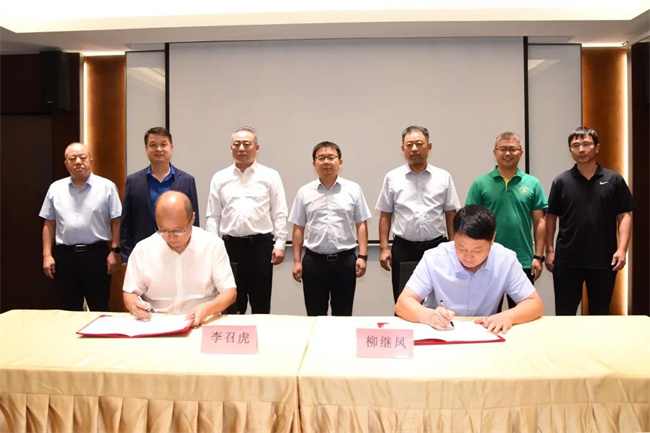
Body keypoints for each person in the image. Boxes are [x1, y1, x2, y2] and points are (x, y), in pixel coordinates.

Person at [395, 205, 544, 334]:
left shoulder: (505, 259)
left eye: (477, 250)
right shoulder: (434, 258)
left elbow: (534, 304)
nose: (468, 256)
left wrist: (508, 316)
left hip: (484, 334)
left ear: (492, 239)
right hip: (441, 333)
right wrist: (429, 316)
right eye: (461, 247)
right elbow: (403, 303)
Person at [545, 126, 635, 315]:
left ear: (597, 147)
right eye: (575, 145)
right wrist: (550, 250)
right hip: (567, 260)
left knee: (600, 313)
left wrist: (622, 249)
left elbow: (624, 215)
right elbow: (551, 217)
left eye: (586, 144)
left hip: (604, 258)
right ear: (570, 150)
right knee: (565, 313)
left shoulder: (614, 179)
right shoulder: (561, 181)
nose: (581, 149)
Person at [206, 126, 288, 314]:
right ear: (231, 148)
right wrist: (213, 246)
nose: (241, 148)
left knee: (261, 304)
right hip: (230, 247)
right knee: (232, 304)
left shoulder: (270, 176)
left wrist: (280, 244)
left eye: (246, 144)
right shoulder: (220, 177)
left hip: (261, 247)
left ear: (256, 148)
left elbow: (279, 212)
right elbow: (213, 215)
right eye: (237, 144)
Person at [123, 191, 236, 326]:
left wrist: (207, 309)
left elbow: (229, 292)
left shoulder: (212, 245)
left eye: (179, 230)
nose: (171, 237)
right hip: (156, 322)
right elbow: (129, 292)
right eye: (163, 230)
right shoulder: (143, 249)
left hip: (203, 320)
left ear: (192, 219)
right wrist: (134, 305)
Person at [376, 125, 460, 303]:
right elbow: (385, 215)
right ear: (402, 148)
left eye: (419, 144)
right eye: (409, 145)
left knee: (439, 301)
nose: (414, 149)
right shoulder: (392, 177)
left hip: (437, 247)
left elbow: (450, 214)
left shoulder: (443, 177)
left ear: (429, 146)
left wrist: (454, 246)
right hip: (404, 248)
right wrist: (384, 248)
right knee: (405, 301)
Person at [465, 131, 547, 310]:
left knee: (522, 313)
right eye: (503, 149)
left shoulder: (532, 183)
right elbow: (470, 221)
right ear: (495, 152)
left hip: (522, 260)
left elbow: (540, 222)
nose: (507, 153)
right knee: (486, 314)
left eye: (512, 149)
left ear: (521, 152)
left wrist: (538, 256)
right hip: (487, 260)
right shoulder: (480, 183)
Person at [290, 141, 371, 316]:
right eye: (321, 158)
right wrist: (296, 261)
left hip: (345, 261)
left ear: (340, 162)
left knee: (343, 315)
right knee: (314, 315)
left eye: (331, 157)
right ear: (314, 164)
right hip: (314, 262)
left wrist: (363, 256)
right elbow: (298, 228)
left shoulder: (353, 189)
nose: (326, 162)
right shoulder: (304, 192)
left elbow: (361, 224)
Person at [40, 142, 122, 311]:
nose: (78, 162)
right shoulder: (55, 188)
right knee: (68, 309)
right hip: (66, 256)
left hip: (97, 255)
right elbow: (49, 223)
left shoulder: (107, 187)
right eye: (72, 158)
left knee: (99, 307)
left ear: (90, 160)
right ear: (66, 163)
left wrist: (115, 252)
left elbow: (116, 221)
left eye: (82, 157)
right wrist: (47, 255)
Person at [120, 126, 200, 263]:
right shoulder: (133, 181)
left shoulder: (187, 181)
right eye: (153, 145)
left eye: (163, 144)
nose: (158, 149)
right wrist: (127, 257)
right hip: (144, 254)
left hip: (179, 252)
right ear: (146, 149)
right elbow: (126, 223)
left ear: (171, 148)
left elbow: (194, 222)